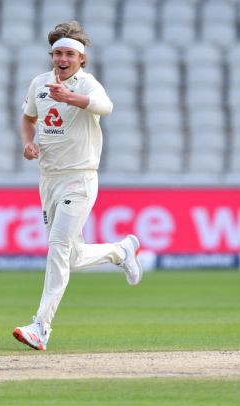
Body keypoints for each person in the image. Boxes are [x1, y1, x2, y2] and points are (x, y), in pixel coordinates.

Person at [13, 21, 143, 351]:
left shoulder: (87, 84)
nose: (62, 58)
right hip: (49, 179)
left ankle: (41, 326)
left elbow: (106, 107)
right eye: (57, 53)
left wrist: (72, 97)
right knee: (69, 257)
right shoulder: (39, 84)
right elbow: (29, 119)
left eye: (69, 53)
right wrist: (28, 143)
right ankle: (120, 250)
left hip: (80, 177)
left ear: (81, 58)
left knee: (57, 246)